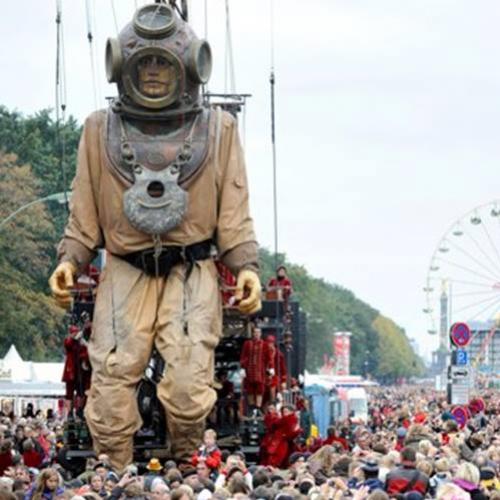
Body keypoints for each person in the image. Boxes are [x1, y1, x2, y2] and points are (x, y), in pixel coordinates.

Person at [48, 2, 261, 471]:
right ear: (122, 68)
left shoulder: (219, 131)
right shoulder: (98, 130)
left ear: (188, 67)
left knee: (188, 385)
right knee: (110, 382)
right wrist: (70, 259)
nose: (152, 74)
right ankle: (112, 474)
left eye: (162, 63)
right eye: (142, 63)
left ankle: (186, 464)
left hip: (192, 268)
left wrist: (246, 265)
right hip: (126, 268)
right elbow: (84, 214)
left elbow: (234, 210)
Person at [240, 325, 273, 411]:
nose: (256, 334)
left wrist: (271, 368)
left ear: (260, 334)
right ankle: (251, 408)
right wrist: (243, 368)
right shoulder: (247, 344)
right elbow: (243, 356)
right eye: (255, 332)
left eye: (258, 332)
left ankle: (258, 407)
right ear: (252, 333)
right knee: (250, 389)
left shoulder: (265, 344)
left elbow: (269, 358)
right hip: (249, 371)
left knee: (260, 389)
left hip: (260, 372)